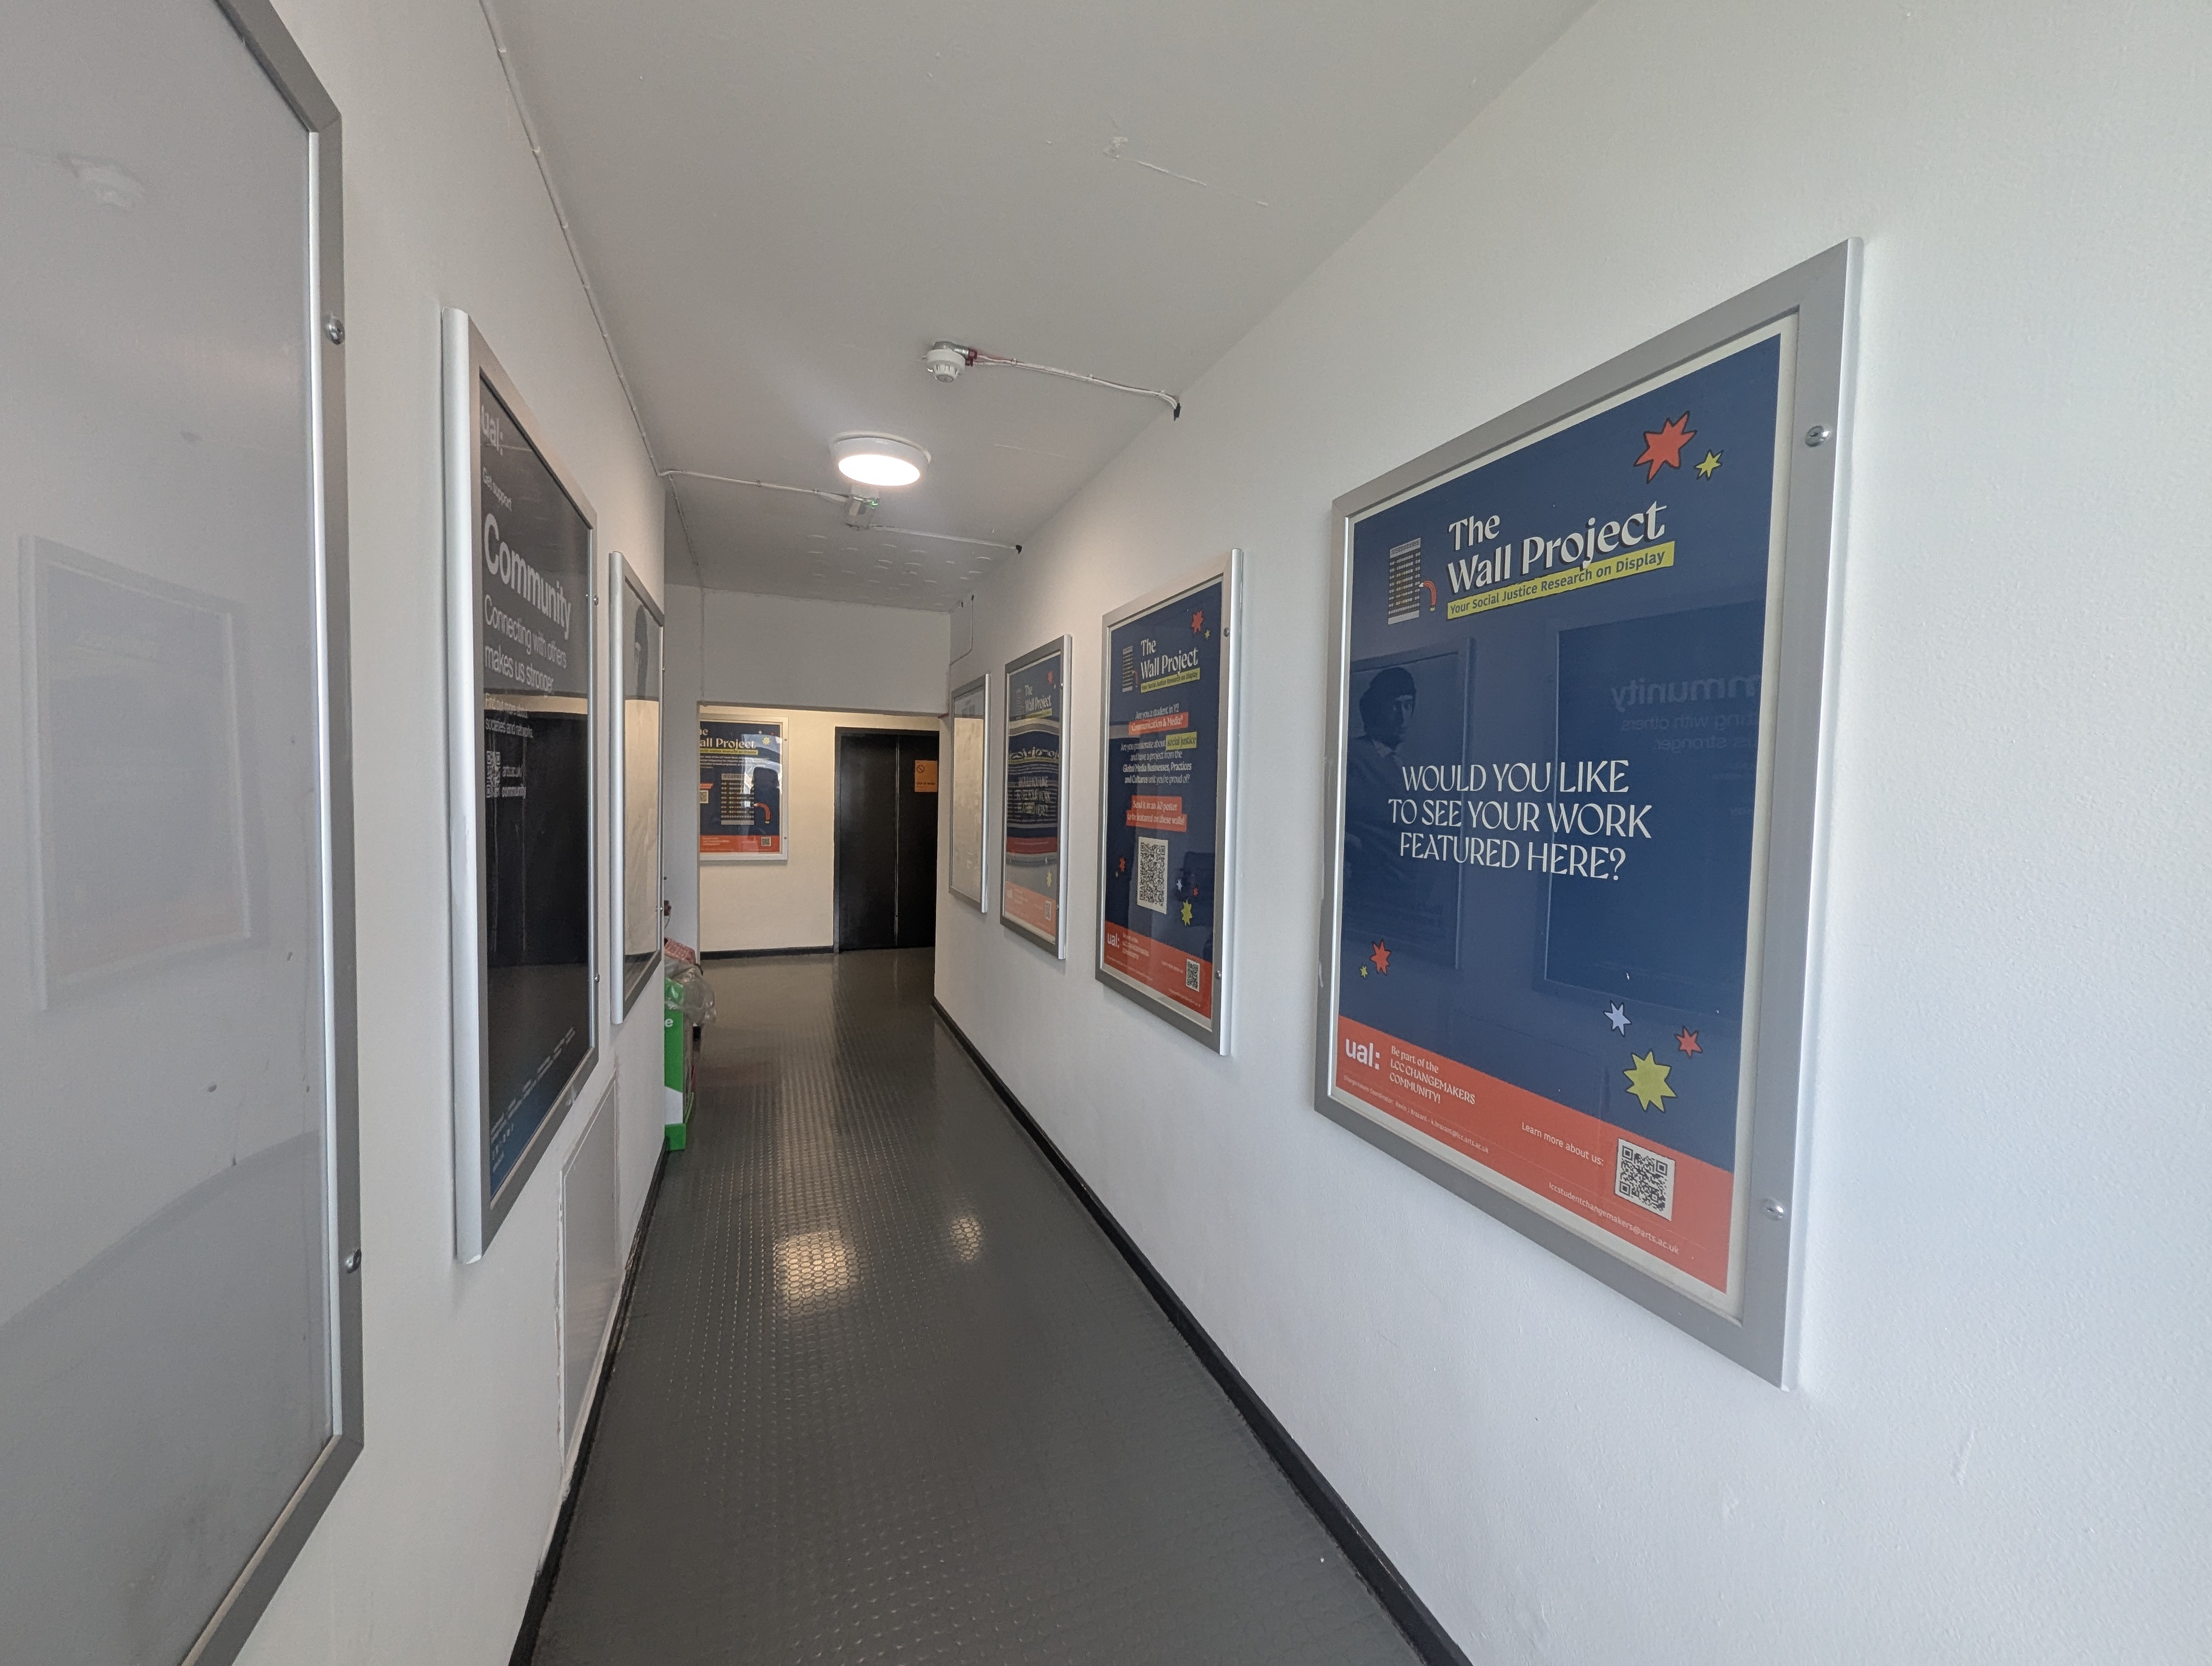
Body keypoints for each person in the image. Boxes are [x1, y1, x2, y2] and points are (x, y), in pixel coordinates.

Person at [1342, 665, 1417, 923]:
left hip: (1407, 901)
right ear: (1377, 708)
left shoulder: (1405, 763)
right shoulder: (1353, 756)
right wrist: (1354, 846)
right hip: (1370, 898)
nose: (1403, 717)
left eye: (1408, 705)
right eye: (1395, 706)